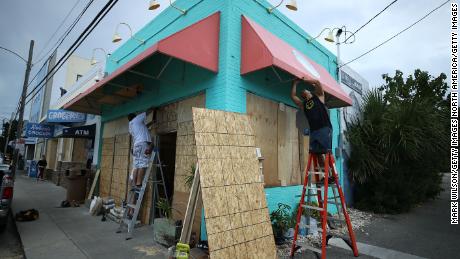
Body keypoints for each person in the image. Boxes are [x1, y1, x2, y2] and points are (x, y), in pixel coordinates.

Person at [290, 77, 332, 154]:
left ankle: (328, 166)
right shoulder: (304, 104)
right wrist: (295, 84)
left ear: (309, 92)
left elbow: (317, 82)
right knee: (316, 153)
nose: (303, 90)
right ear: (303, 96)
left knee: (326, 152)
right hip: (314, 130)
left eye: (304, 90)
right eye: (302, 92)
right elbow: (293, 96)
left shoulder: (319, 97)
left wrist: (303, 79)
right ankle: (321, 166)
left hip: (324, 128)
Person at [128, 108, 154, 190]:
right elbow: (146, 113)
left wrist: (151, 123)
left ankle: (134, 184)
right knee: (143, 163)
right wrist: (153, 107)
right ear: (135, 116)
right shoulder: (137, 119)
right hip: (142, 143)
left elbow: (143, 128)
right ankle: (139, 183)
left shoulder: (131, 125)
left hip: (136, 145)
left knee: (136, 165)